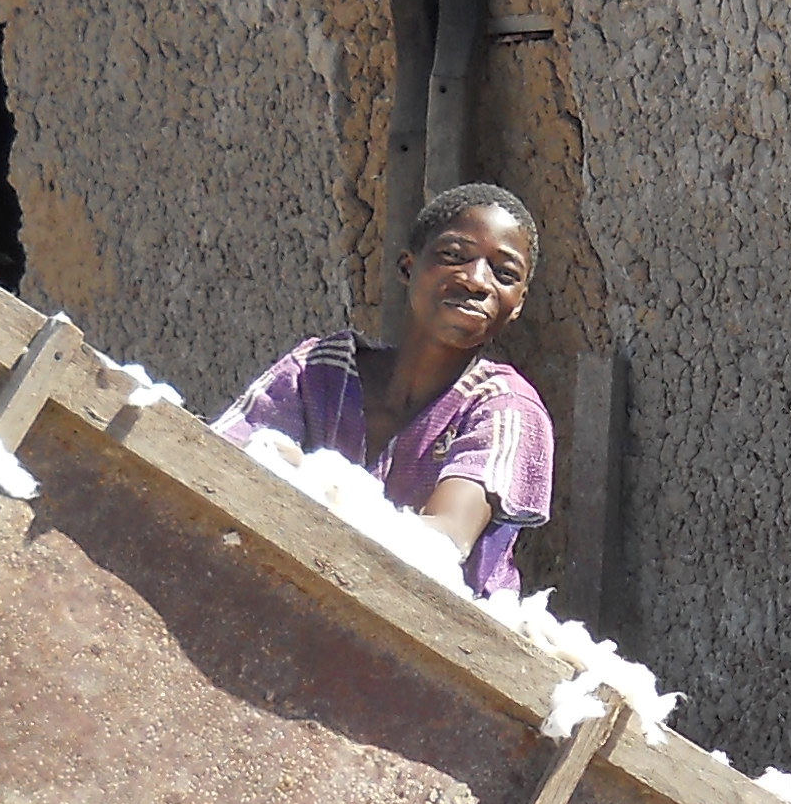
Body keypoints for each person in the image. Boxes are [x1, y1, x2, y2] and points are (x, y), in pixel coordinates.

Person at [215, 183, 554, 601]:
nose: (475, 280)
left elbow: (441, 545)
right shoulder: (321, 371)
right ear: (408, 268)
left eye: (504, 274)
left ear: (518, 303)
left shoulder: (503, 409)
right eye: (453, 256)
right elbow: (222, 465)